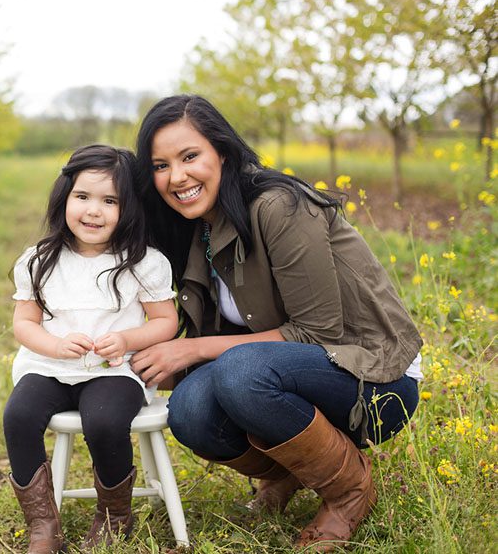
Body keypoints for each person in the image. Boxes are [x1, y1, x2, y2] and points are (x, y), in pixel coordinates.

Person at [129, 95, 423, 552]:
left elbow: (318, 333)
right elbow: (237, 337)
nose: (177, 177)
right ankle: (288, 475)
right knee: (189, 411)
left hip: (377, 379)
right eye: (161, 165)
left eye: (190, 157)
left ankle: (348, 489)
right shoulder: (197, 229)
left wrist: (190, 351)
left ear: (222, 152)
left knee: (238, 372)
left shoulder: (278, 206)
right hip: (286, 373)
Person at [4, 144, 179, 553]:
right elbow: (24, 324)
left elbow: (166, 322)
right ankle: (43, 525)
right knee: (19, 415)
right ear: (64, 197)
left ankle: (114, 514)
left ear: (129, 208)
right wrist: (56, 343)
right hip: (48, 366)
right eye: (82, 197)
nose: (93, 211)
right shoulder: (39, 260)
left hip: (112, 369)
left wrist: (127, 339)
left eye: (109, 201)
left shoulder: (142, 262)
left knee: (102, 421)